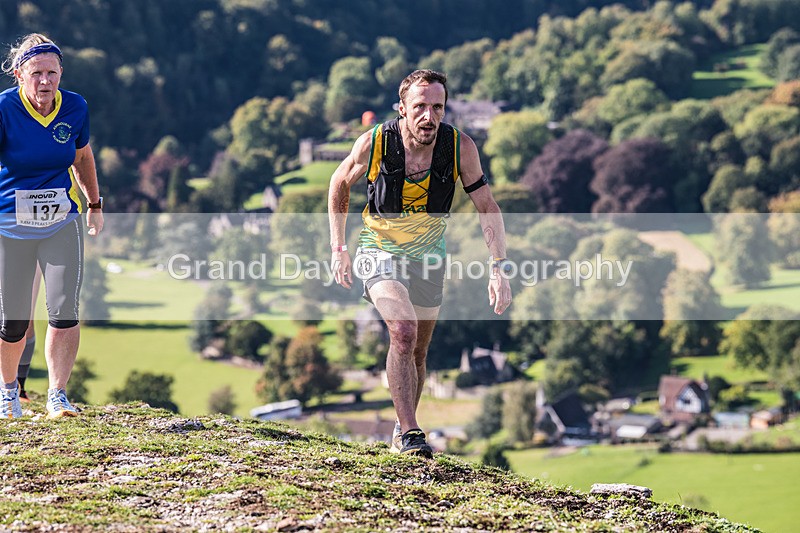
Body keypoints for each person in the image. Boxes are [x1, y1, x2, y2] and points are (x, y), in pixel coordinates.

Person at [328, 70, 512, 457]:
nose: (429, 117)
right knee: (404, 330)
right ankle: (412, 434)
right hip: (379, 250)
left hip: (430, 258)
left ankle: (400, 426)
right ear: (402, 109)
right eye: (420, 107)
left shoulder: (460, 147)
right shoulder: (376, 141)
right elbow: (339, 182)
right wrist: (338, 247)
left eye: (437, 107)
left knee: (418, 353)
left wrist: (499, 267)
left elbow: (487, 207)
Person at [0, 33, 103, 419]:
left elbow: (82, 156)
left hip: (62, 221)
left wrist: (94, 203)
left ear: (61, 72)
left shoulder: (75, 107)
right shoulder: (4, 109)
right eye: (37, 73)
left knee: (64, 309)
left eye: (53, 73)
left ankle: (58, 396)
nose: (46, 81)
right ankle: (8, 392)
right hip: (11, 224)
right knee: (13, 321)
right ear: (19, 74)